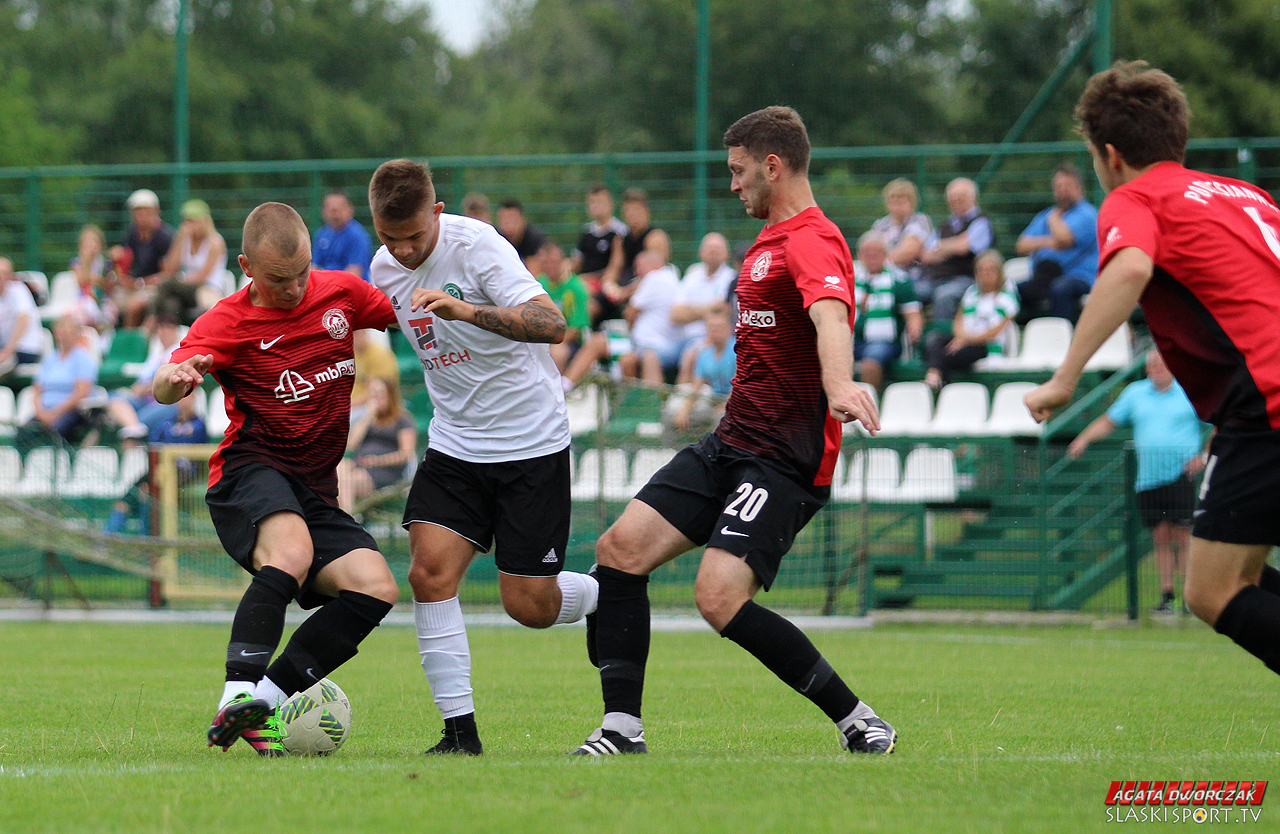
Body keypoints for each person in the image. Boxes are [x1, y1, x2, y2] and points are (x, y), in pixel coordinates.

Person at [571, 106, 892, 757]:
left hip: (781, 461)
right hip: (729, 443)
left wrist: (838, 385)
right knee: (619, 550)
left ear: (773, 166)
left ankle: (858, 719)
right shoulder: (765, 242)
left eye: (739, 172)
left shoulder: (813, 238)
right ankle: (620, 729)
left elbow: (832, 319)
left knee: (717, 596)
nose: (732, 184)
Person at [1024, 60, 1280, 683]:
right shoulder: (1248, 195)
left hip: (1266, 395)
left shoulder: (1135, 198)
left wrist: (1064, 378)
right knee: (1237, 575)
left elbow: (1131, 268)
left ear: (1109, 155)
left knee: (1212, 591)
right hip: (1258, 399)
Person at [366, 158, 598, 756]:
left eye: (415, 236)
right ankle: (459, 735)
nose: (405, 251)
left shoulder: (479, 246)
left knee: (529, 605)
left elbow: (554, 324)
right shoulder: (384, 267)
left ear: (438, 213)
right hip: (457, 445)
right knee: (427, 574)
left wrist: (468, 312)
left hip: (530, 443)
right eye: (390, 239)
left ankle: (607, 592)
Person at [153, 201, 400, 757]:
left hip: (315, 488)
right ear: (245, 266)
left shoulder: (341, 294)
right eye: (277, 279)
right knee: (290, 553)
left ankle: (259, 702)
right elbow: (165, 385)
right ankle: (233, 694)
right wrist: (175, 378)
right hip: (252, 468)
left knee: (377, 587)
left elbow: (406, 313)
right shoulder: (227, 321)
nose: (293, 289)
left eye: (302, 273)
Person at [1067, 349, 1208, 613]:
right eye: (1152, 365)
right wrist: (1083, 439)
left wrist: (1203, 457)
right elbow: (1109, 421)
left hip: (1181, 475)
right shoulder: (1135, 393)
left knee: (1183, 535)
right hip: (1148, 479)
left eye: (1162, 364)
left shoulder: (1189, 391)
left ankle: (1192, 597)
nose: (1157, 369)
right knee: (1160, 536)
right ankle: (1168, 595)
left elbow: (1216, 423)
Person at [1015, 162, 1099, 321]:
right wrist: (1049, 242)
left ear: (1079, 188)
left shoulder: (1087, 214)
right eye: (1058, 186)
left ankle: (1061, 341)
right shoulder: (1045, 215)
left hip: (1079, 277)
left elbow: (1064, 239)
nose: (1062, 191)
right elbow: (1022, 245)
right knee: (1013, 291)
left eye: (1067, 185)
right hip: (1043, 277)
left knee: (1060, 289)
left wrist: (1053, 220)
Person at [923, 249, 1018, 389]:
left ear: (999, 272)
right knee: (935, 339)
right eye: (981, 270)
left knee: (946, 355)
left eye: (990, 270)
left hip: (986, 345)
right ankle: (934, 377)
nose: (985, 274)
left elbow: (997, 330)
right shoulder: (971, 292)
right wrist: (961, 337)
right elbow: (958, 320)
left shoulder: (1007, 296)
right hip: (964, 339)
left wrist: (966, 340)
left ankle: (935, 382)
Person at [853, 231, 923, 391]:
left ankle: (867, 408)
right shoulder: (849, 276)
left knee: (870, 363)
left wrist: (915, 330)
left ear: (885, 254)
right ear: (859, 254)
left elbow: (913, 314)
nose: (871, 257)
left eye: (876, 253)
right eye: (866, 253)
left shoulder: (898, 280)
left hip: (884, 342)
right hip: (850, 339)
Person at [337, 375, 416, 513]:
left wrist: (378, 461)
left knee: (350, 480)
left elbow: (406, 454)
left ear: (390, 395)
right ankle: (349, 517)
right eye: (372, 394)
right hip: (360, 465)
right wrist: (367, 417)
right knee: (341, 467)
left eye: (379, 394)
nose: (375, 398)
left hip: (386, 470)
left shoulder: (402, 419)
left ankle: (347, 518)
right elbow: (351, 445)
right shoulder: (367, 419)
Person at [918, 177, 994, 321]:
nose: (957, 200)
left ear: (974, 197)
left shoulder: (982, 221)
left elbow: (963, 248)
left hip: (967, 279)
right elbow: (926, 255)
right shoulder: (944, 225)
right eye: (953, 197)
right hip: (936, 279)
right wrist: (955, 244)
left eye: (962, 196)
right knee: (911, 292)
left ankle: (941, 338)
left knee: (944, 296)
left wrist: (940, 246)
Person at [22, 313, 98, 444]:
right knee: (24, 433)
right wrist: (41, 412)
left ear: (77, 334)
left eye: (68, 331)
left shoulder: (84, 359)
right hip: (44, 412)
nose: (64, 335)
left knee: (55, 433)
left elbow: (82, 391)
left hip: (71, 412)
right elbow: (37, 389)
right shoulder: (50, 358)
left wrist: (55, 413)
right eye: (60, 331)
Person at [107, 314, 183, 442]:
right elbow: (138, 384)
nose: (163, 333)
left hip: (165, 402)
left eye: (167, 329)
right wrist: (137, 390)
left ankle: (132, 427)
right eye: (160, 329)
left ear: (175, 330)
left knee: (130, 427)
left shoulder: (179, 352)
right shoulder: (154, 357)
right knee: (114, 398)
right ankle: (133, 427)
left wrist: (146, 388)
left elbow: (171, 382)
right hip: (143, 401)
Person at [671, 232, 736, 382]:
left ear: (726, 253)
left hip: (715, 339)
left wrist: (691, 311)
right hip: (683, 338)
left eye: (717, 248)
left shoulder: (732, 279)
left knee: (691, 354)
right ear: (701, 252)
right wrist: (711, 307)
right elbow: (676, 314)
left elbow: (725, 312)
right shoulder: (691, 276)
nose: (713, 252)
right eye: (709, 248)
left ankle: (684, 400)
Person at [155, 199, 230, 323]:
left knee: (166, 285)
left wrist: (180, 279)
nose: (188, 225)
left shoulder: (215, 242)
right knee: (171, 304)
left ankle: (149, 326)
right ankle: (170, 337)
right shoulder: (184, 240)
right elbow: (169, 270)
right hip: (187, 289)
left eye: (192, 221)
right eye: (186, 221)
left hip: (208, 288)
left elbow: (202, 277)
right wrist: (178, 240)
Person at [597, 188, 665, 324]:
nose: (631, 214)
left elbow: (653, 276)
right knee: (592, 303)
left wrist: (625, 292)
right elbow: (614, 267)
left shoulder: (655, 238)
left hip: (643, 292)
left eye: (636, 210)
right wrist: (609, 286)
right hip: (622, 290)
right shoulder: (621, 239)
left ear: (646, 211)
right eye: (628, 210)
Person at [110, 189, 176, 327]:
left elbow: (167, 275)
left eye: (145, 211)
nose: (141, 215)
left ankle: (130, 344)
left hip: (156, 288)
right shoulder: (131, 234)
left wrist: (140, 283)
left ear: (155, 211)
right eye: (137, 211)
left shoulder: (165, 237)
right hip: (135, 286)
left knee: (133, 305)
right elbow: (125, 263)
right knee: (108, 306)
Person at [619, 249, 685, 385]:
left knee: (602, 346)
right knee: (628, 360)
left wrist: (631, 331)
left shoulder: (654, 278)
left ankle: (640, 401)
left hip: (652, 346)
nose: (637, 272)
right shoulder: (670, 277)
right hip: (663, 344)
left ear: (652, 265)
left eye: (639, 267)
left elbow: (630, 312)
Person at [667, 307, 736, 432]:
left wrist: (726, 404)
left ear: (729, 328)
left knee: (720, 417)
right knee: (673, 409)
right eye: (711, 327)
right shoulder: (704, 353)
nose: (715, 331)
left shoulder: (737, 350)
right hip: (713, 399)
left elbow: (738, 385)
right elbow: (696, 386)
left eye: (719, 327)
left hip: (734, 402)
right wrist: (685, 409)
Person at [536, 239, 591, 372]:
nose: (549, 267)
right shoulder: (538, 284)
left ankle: (558, 390)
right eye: (545, 263)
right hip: (542, 339)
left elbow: (576, 329)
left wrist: (549, 343)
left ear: (562, 260)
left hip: (568, 342)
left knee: (557, 353)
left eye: (553, 262)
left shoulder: (575, 288)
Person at [571, 184, 628, 313]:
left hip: (606, 286)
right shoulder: (586, 232)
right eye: (592, 202)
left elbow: (617, 267)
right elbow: (575, 263)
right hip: (584, 283)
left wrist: (588, 279)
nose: (596, 206)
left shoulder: (620, 232)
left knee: (585, 304)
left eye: (600, 202)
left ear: (611, 204)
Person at [870, 178, 932, 279]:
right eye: (892, 197)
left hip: (912, 276)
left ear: (911, 201)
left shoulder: (919, 220)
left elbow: (908, 252)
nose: (896, 200)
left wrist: (876, 263)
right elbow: (869, 248)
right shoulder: (880, 224)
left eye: (901, 197)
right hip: (882, 274)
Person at [68, 224, 119, 332]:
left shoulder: (106, 263)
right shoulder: (77, 263)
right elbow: (81, 282)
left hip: (102, 301)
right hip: (83, 301)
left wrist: (97, 279)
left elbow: (110, 284)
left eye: (94, 241)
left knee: (106, 314)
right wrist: (86, 262)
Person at [313, 190, 373, 280]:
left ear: (350, 209)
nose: (334, 212)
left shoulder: (358, 236)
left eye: (339, 208)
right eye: (330, 209)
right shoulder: (321, 234)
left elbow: (355, 273)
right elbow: (313, 267)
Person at [0, 256, 45, 374]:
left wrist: (7, 351)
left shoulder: (18, 290)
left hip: (26, 349)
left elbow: (23, 319)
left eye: (4, 273)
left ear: (10, 275)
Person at [495, 198, 547, 272]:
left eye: (512, 218)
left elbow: (533, 275)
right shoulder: (495, 238)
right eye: (504, 219)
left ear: (522, 219)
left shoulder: (534, 240)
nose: (508, 223)